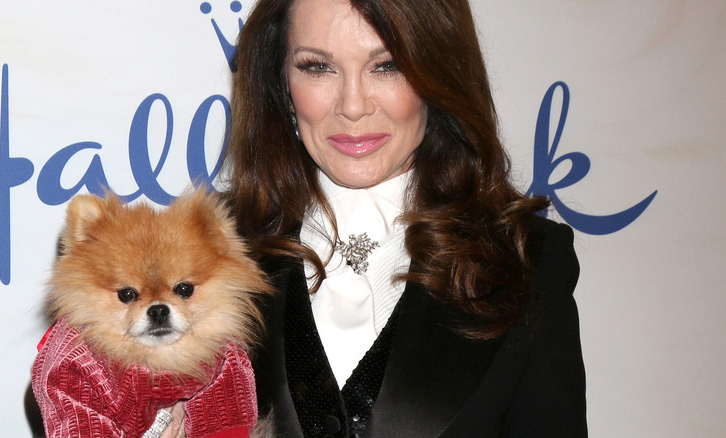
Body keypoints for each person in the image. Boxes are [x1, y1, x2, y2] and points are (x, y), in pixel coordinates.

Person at [169, 0, 587, 436]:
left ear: (438, 73)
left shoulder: (527, 261)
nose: (352, 105)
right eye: (317, 67)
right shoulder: (205, 248)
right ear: (280, 80)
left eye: (386, 66)